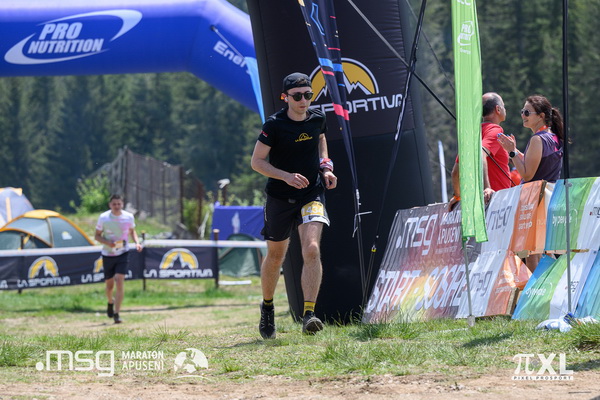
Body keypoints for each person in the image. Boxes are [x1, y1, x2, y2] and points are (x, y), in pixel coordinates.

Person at [250, 72, 337, 338]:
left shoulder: (318, 118)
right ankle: (267, 307)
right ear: (285, 97)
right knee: (276, 256)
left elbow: (321, 138)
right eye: (297, 96)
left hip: (311, 194)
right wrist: (286, 176)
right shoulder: (274, 125)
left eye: (308, 95)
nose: (303, 100)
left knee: (311, 249)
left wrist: (326, 166)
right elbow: (257, 162)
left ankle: (309, 314)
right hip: (279, 197)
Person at [449, 92, 512, 210]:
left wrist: (457, 196)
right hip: (497, 203)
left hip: (477, 206)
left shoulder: (472, 134)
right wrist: (487, 188)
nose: (505, 109)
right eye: (503, 106)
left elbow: (455, 173)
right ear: (498, 109)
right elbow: (481, 154)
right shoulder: (495, 130)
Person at [95, 194, 143, 324]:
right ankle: (110, 301)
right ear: (110, 205)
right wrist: (108, 243)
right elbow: (97, 236)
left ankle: (117, 313)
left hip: (123, 253)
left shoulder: (128, 217)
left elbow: (132, 231)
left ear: (122, 204)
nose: (117, 206)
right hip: (108, 254)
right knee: (109, 286)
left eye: (119, 204)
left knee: (120, 280)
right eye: (114, 204)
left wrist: (137, 243)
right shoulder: (103, 218)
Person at [497, 94, 564, 183]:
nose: (523, 116)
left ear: (541, 116)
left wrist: (512, 152)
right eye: (522, 112)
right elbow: (538, 162)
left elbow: (527, 175)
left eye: (527, 112)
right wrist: (514, 150)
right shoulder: (554, 136)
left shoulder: (537, 139)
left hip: (537, 191)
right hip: (550, 190)